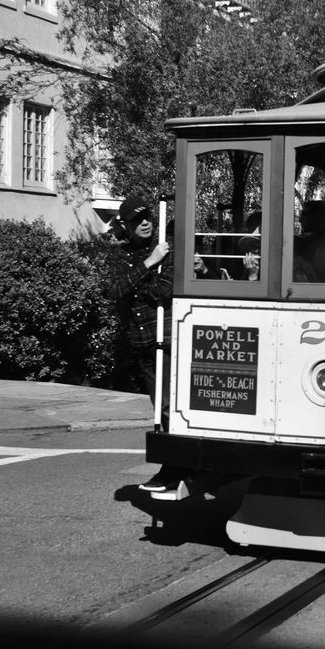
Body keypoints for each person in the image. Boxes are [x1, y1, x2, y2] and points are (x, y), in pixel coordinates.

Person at [108, 195, 182, 493]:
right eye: (138, 220)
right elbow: (114, 289)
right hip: (141, 344)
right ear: (126, 226)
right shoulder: (123, 255)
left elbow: (166, 289)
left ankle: (174, 467)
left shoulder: (168, 247)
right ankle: (175, 465)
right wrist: (149, 264)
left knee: (168, 407)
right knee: (159, 408)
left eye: (148, 217)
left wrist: (137, 285)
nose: (146, 223)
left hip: (167, 340)